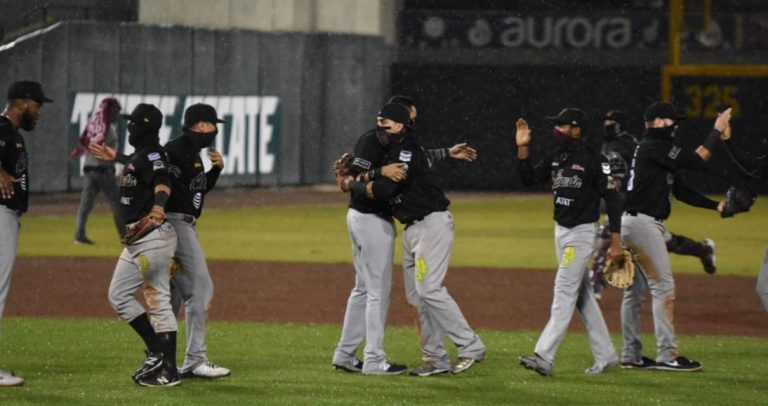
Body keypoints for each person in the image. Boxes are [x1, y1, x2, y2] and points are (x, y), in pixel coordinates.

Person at [341, 103, 486, 377]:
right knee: (416, 295)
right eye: (378, 120)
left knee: (428, 288)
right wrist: (373, 173)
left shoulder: (405, 148)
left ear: (399, 125)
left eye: (386, 121)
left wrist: (353, 182)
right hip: (412, 230)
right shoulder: (395, 148)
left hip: (431, 225)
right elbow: (402, 168)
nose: (380, 124)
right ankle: (436, 358)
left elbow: (386, 189)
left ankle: (470, 346)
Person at [619, 102, 732, 372]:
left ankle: (631, 354)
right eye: (672, 121)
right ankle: (667, 355)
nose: (676, 126)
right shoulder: (654, 146)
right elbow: (696, 161)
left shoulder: (655, 151)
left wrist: (716, 206)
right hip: (643, 224)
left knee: (635, 293)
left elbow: (680, 190)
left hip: (634, 222)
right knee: (663, 288)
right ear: (657, 122)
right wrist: (716, 131)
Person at [514, 108, 623, 377]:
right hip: (560, 231)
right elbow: (528, 179)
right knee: (582, 296)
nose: (556, 130)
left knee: (564, 289)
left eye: (562, 126)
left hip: (582, 232)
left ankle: (544, 356)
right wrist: (523, 148)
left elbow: (614, 199)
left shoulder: (595, 160)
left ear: (576, 129)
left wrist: (616, 242)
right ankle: (606, 355)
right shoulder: (558, 156)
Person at [591, 109, 717, 299]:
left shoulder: (627, 143)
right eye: (605, 121)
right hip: (627, 202)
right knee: (664, 240)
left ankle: (596, 283)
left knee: (607, 236)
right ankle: (702, 249)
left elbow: (637, 168)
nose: (606, 125)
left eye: (610, 121)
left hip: (634, 200)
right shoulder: (610, 144)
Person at [101, 103, 180, 387]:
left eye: (133, 124)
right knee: (118, 295)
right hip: (137, 240)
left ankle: (169, 371)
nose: (129, 128)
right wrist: (118, 156)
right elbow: (142, 166)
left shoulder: (156, 155)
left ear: (145, 128)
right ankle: (157, 352)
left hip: (152, 238)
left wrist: (159, 206)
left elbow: (162, 180)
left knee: (157, 300)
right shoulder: (142, 155)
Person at [164, 104, 230, 379]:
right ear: (201, 125)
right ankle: (194, 360)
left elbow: (197, 189)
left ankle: (162, 359)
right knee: (201, 290)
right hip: (177, 225)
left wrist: (215, 170)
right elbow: (157, 182)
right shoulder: (176, 150)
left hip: (179, 225)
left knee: (174, 296)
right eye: (212, 125)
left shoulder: (189, 152)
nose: (214, 130)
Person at [0, 80, 52, 387]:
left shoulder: (10, 134)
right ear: (22, 103)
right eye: (37, 105)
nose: (40, 112)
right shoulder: (2, 129)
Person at [69, 97, 125, 244]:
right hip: (104, 170)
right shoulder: (108, 128)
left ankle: (79, 236)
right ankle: (125, 236)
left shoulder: (93, 124)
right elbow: (107, 152)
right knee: (116, 204)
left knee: (85, 204)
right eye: (116, 111)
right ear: (111, 111)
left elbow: (86, 143)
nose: (117, 115)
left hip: (89, 170)